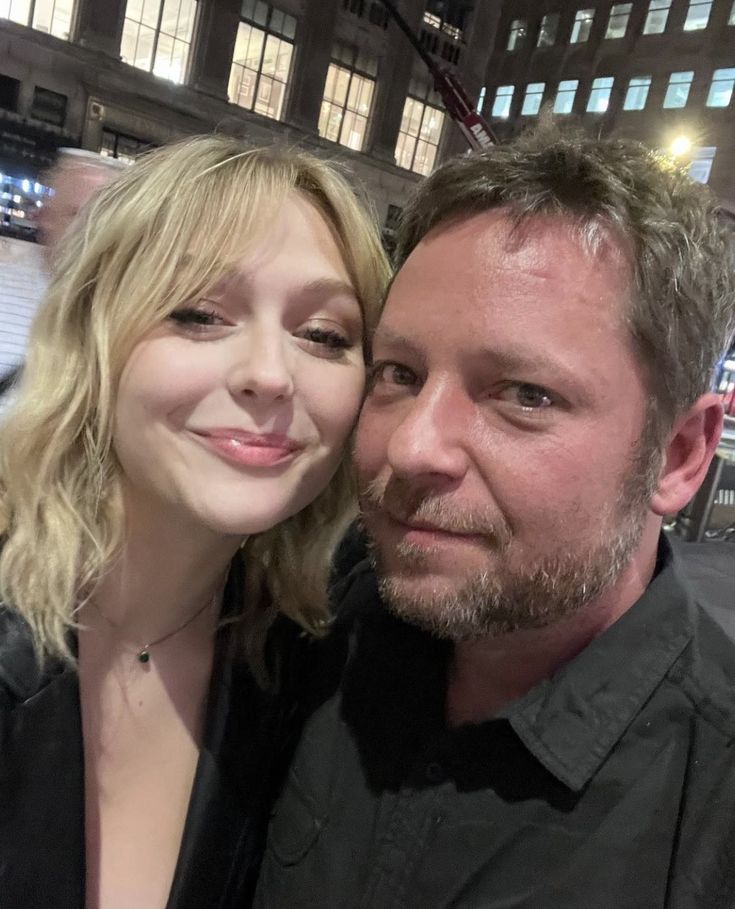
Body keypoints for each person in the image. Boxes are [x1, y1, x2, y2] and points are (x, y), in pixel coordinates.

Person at [254, 123, 735, 909]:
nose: (411, 447)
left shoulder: (708, 821)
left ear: (679, 454)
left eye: (524, 394)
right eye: (398, 373)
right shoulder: (304, 631)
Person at [0, 134, 389, 909]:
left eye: (323, 335)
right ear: (92, 336)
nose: (270, 375)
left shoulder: (308, 666)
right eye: (201, 314)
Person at [0, 149, 124, 392]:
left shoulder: (127, 311)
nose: (92, 230)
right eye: (77, 214)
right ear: (44, 217)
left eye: (104, 217)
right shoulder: (4, 288)